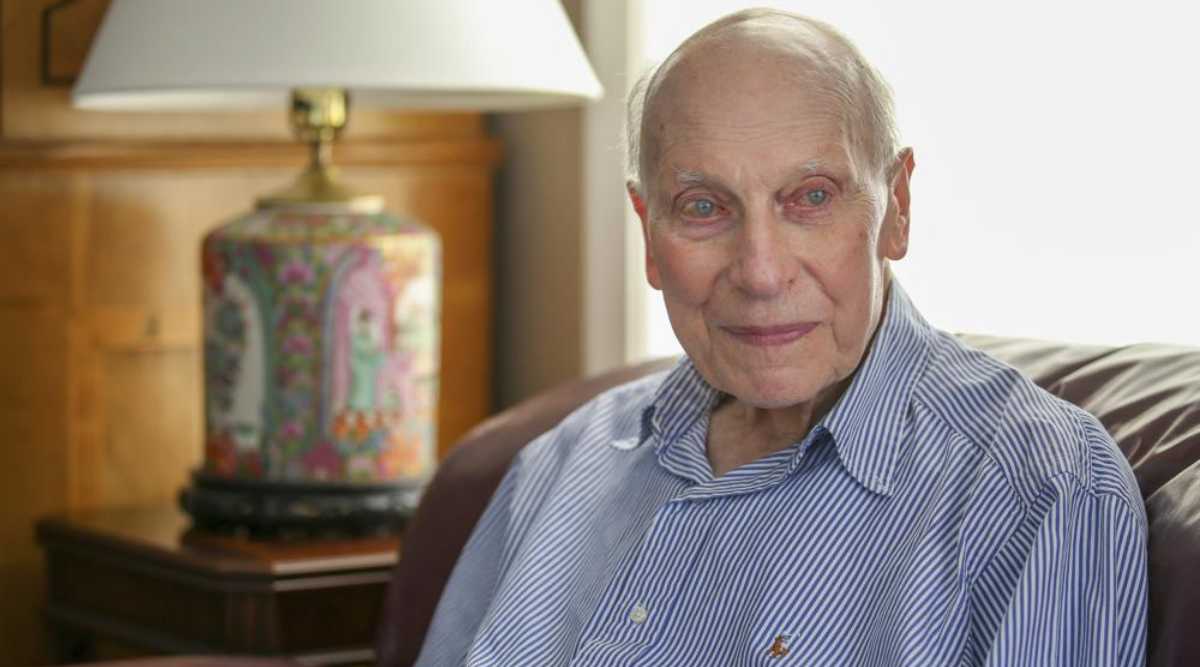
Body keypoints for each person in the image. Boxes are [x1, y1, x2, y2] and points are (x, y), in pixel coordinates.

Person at [416, 8, 1147, 666]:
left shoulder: (1038, 487)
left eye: (812, 198)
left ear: (897, 209)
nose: (760, 271)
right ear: (648, 231)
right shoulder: (557, 466)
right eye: (703, 206)